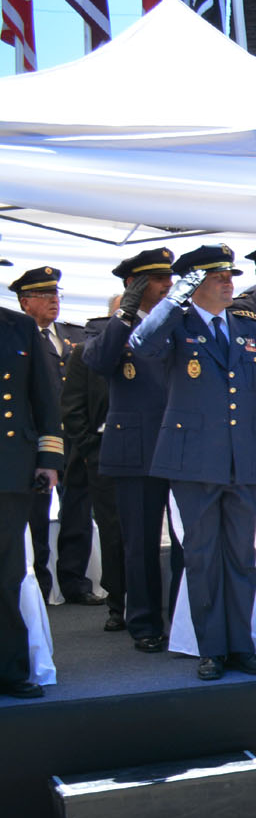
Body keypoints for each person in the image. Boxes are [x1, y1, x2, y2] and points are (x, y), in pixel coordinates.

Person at [127, 245, 256, 681]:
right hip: (193, 462)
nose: (230, 283)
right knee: (202, 558)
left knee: (242, 560)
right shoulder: (177, 324)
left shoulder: (249, 329)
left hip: (243, 461)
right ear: (194, 284)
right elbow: (141, 344)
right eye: (217, 277)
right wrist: (177, 298)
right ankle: (211, 648)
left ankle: (241, 646)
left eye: (230, 276)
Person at [81, 248, 182, 653]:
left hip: (179, 445)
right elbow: (99, 361)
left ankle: (183, 619)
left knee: (184, 541)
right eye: (156, 280)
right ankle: (143, 623)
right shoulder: (106, 328)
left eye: (167, 279)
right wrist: (124, 314)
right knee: (139, 543)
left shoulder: (179, 323)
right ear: (132, 285)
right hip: (134, 449)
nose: (165, 286)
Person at [10, 266, 88, 604]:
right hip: (39, 440)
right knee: (36, 516)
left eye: (56, 295)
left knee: (78, 513)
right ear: (25, 302)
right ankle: (41, 585)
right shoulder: (16, 334)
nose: (54, 302)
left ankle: (75, 583)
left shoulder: (72, 334)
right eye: (45, 296)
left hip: (74, 436)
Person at [0, 274, 62, 698]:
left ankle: (9, 668)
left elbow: (45, 398)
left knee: (5, 576)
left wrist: (49, 459)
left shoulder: (18, 326)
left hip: (9, 466)